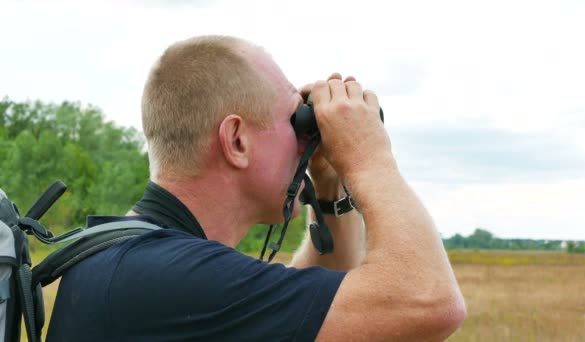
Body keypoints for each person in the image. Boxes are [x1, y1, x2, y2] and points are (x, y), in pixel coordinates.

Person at [47, 35, 466, 341]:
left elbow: (309, 308)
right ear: (238, 141)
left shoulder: (138, 259)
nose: (308, 136)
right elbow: (429, 302)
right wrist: (369, 153)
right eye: (295, 121)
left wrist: (329, 183)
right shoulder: (167, 275)